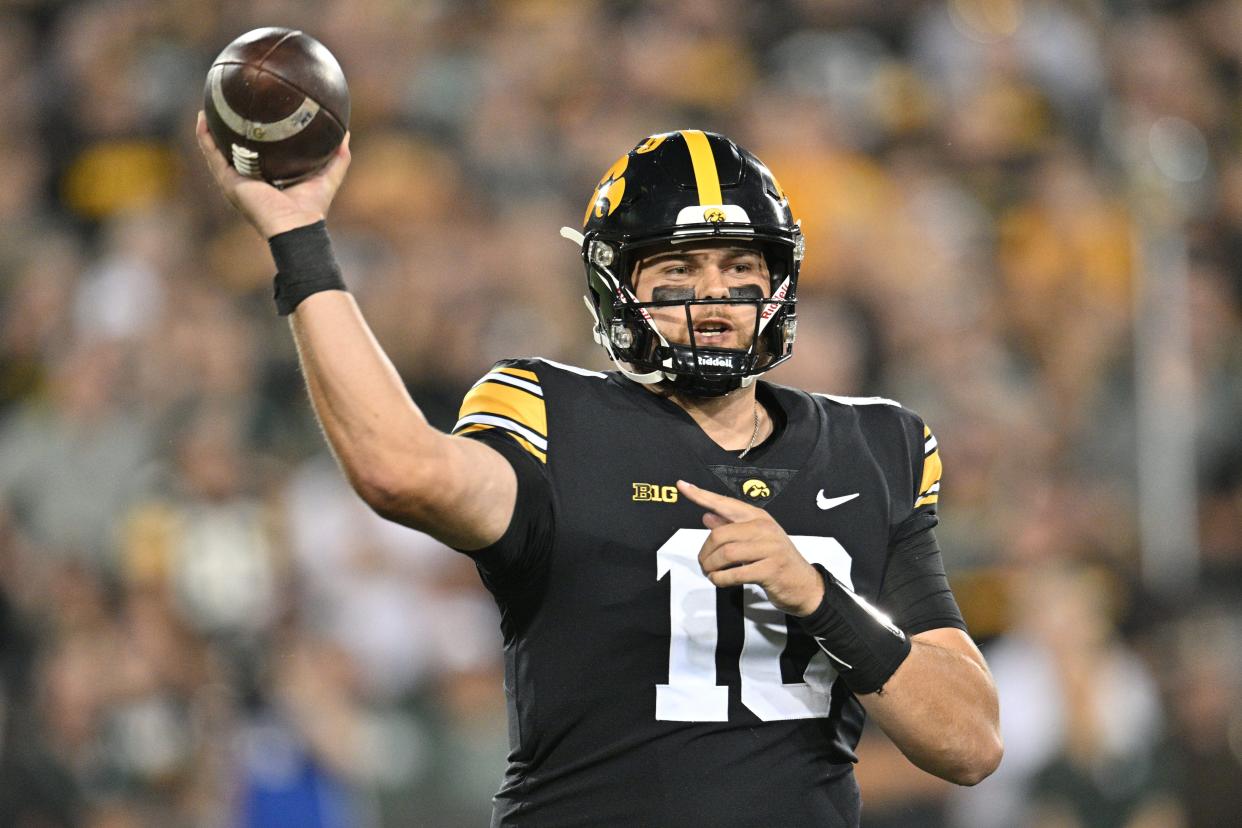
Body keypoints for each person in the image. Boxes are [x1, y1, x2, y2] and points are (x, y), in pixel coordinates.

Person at [196, 116, 1002, 827]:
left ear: (779, 280)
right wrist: (298, 237)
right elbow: (396, 469)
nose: (714, 294)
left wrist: (821, 598)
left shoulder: (877, 447)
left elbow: (970, 742)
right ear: (619, 288)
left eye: (736, 265)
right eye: (677, 271)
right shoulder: (555, 416)